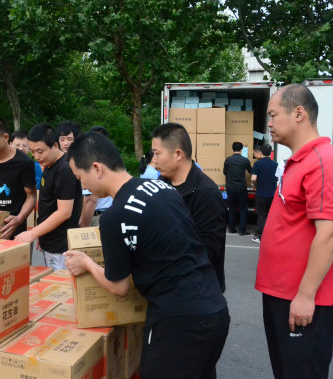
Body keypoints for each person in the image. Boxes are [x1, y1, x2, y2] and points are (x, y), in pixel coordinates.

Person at [63, 132, 229, 379]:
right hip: (215, 310)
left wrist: (86, 262)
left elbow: (118, 287)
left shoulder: (115, 216)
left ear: (96, 168)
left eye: (80, 177)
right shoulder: (161, 187)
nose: (83, 186)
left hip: (178, 322)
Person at [256, 84, 333, 379]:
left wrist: (305, 296)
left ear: (299, 113)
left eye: (273, 115)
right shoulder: (299, 161)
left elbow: (330, 234)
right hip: (282, 294)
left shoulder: (326, 162)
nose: (269, 123)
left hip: (303, 298)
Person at [151, 122, 227, 292]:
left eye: (157, 153)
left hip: (198, 290)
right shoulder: (161, 184)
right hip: (167, 285)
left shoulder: (205, 193)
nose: (154, 160)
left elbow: (208, 250)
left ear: (178, 154)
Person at [15, 124, 82, 270]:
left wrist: (33, 233)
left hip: (61, 246)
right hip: (50, 240)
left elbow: (64, 212)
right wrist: (42, 233)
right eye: (33, 151)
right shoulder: (49, 165)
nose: (36, 156)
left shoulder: (64, 170)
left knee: (60, 282)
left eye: (40, 151)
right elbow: (49, 204)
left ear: (55, 145)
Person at [79, 126, 113, 228]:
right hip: (112, 214)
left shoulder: (92, 165)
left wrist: (83, 226)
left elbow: (90, 200)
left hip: (97, 218)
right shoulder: (116, 162)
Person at [250, 143, 278, 244]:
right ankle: (271, 236)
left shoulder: (258, 164)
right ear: (270, 152)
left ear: (261, 152)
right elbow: (278, 178)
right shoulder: (275, 164)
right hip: (272, 194)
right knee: (270, 216)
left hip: (261, 193)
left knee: (262, 216)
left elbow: (253, 178)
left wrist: (255, 184)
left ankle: (262, 237)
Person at [223, 141, 252, 235]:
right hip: (241, 187)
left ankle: (231, 228)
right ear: (241, 150)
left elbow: (225, 172)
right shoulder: (245, 160)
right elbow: (251, 171)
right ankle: (242, 230)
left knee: (232, 208)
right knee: (243, 208)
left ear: (232, 149)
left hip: (230, 187)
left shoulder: (228, 160)